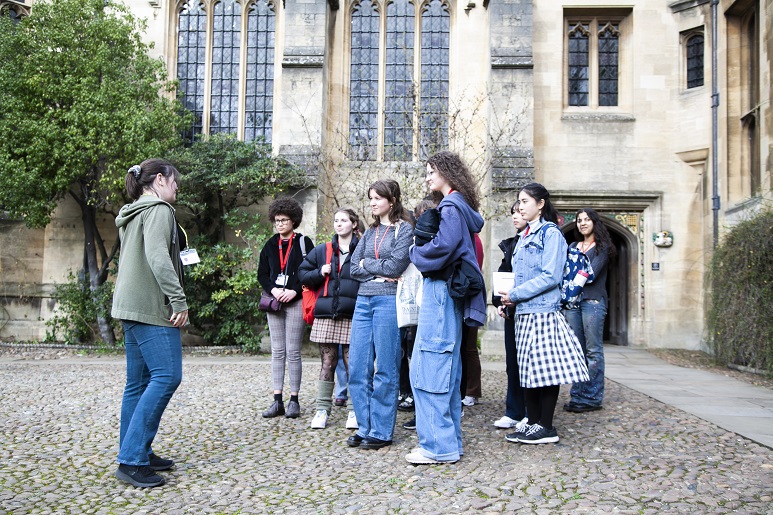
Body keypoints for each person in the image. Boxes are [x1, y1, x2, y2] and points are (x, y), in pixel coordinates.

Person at [111, 159, 188, 488]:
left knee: (138, 383)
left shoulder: (133, 210)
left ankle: (137, 449)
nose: (177, 188)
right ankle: (131, 460)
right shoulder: (158, 209)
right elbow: (157, 256)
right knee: (168, 375)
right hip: (150, 306)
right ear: (159, 179)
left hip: (128, 305)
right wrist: (179, 300)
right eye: (174, 182)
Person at [406, 151, 486, 465]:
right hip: (447, 294)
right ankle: (448, 442)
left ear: (446, 173)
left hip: (441, 291)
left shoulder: (451, 206)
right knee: (446, 370)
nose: (427, 178)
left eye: (430, 172)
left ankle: (438, 447)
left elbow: (442, 248)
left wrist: (415, 252)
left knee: (431, 368)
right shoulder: (460, 207)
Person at [499, 182, 589, 445]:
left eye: (525, 201)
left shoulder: (550, 234)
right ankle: (532, 422)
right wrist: (509, 301)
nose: (520, 206)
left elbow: (550, 276)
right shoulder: (524, 235)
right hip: (524, 312)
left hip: (543, 312)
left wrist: (515, 295)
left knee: (545, 371)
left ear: (540, 205)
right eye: (519, 201)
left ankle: (546, 426)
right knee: (527, 370)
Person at [347, 180, 414, 450]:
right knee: (357, 368)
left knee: (385, 367)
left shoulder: (405, 230)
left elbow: (398, 263)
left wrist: (370, 266)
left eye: (378, 198)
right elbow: (354, 266)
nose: (373, 203)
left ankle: (382, 431)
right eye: (371, 198)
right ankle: (365, 428)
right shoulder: (370, 231)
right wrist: (380, 270)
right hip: (363, 301)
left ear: (392, 200)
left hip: (388, 302)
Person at [298, 208, 361, 429]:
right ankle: (322, 410)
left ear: (354, 224)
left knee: (353, 363)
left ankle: (355, 411)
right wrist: (319, 273)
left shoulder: (362, 249)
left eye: (343, 220)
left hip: (353, 314)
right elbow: (302, 275)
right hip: (326, 314)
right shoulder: (321, 250)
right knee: (327, 362)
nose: (338, 224)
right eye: (336, 220)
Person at [257, 197, 314, 419]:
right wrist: (273, 290)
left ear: (294, 220)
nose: (280, 224)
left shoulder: (303, 243)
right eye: (277, 220)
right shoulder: (270, 244)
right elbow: (262, 273)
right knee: (277, 352)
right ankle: (277, 400)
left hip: (295, 301)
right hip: (275, 302)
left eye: (284, 220)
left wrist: (295, 291)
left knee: (293, 352)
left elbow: (310, 273)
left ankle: (294, 400)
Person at [563, 208, 616, 413]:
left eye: (586, 219)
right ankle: (578, 394)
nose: (582, 223)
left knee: (593, 351)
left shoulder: (602, 247)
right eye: (579, 220)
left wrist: (574, 277)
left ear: (595, 222)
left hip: (593, 302)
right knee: (578, 350)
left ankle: (592, 396)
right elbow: (566, 273)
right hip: (574, 304)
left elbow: (591, 273)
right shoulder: (573, 246)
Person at [491, 200, 529, 430]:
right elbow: (504, 275)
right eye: (513, 212)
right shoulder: (512, 244)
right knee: (512, 362)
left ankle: (530, 412)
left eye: (519, 211)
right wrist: (499, 302)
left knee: (528, 363)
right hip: (511, 309)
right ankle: (514, 410)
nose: (515, 216)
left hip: (529, 308)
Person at [460, 233, 484, 407]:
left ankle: (472, 390)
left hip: (469, 296)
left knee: (469, 347)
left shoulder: (473, 239)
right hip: (462, 296)